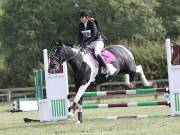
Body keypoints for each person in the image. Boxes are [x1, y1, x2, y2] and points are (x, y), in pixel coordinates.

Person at [78, 9, 110, 74]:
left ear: (87, 17)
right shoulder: (80, 25)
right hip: (90, 42)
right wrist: (80, 44)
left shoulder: (91, 23)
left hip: (98, 41)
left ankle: (106, 68)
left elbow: (94, 34)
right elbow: (80, 36)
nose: (81, 19)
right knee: (83, 52)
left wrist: (87, 43)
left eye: (83, 17)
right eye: (80, 17)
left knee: (96, 53)